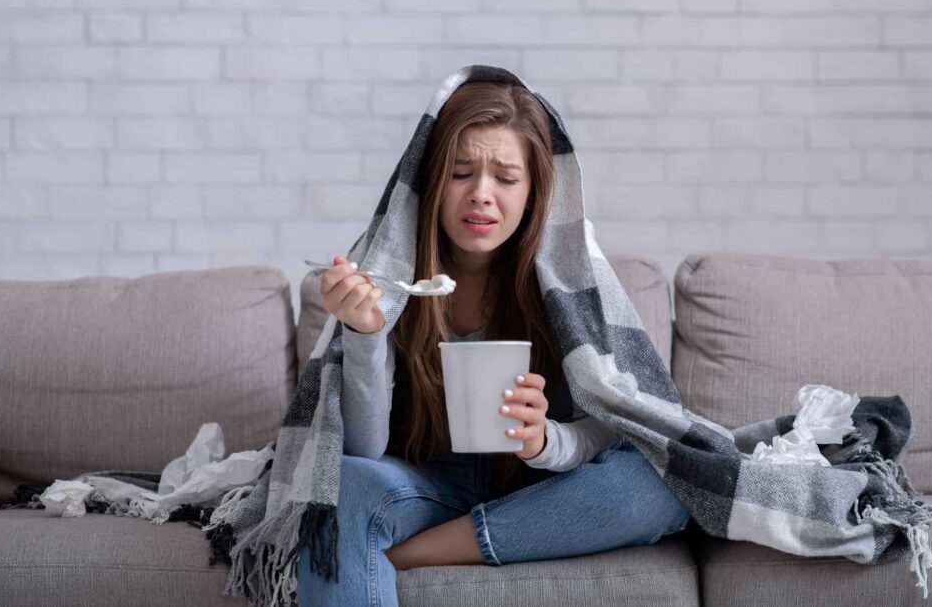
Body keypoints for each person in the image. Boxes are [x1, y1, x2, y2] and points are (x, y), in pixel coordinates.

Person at [296, 79, 690, 606]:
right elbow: (363, 450)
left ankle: (414, 551)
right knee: (342, 486)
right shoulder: (389, 273)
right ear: (433, 181)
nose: (481, 192)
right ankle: (457, 535)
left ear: (532, 196)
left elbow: (620, 424)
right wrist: (365, 336)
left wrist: (545, 442)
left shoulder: (570, 276)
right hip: (423, 480)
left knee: (662, 482)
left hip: (537, 489)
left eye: (506, 178)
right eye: (461, 173)